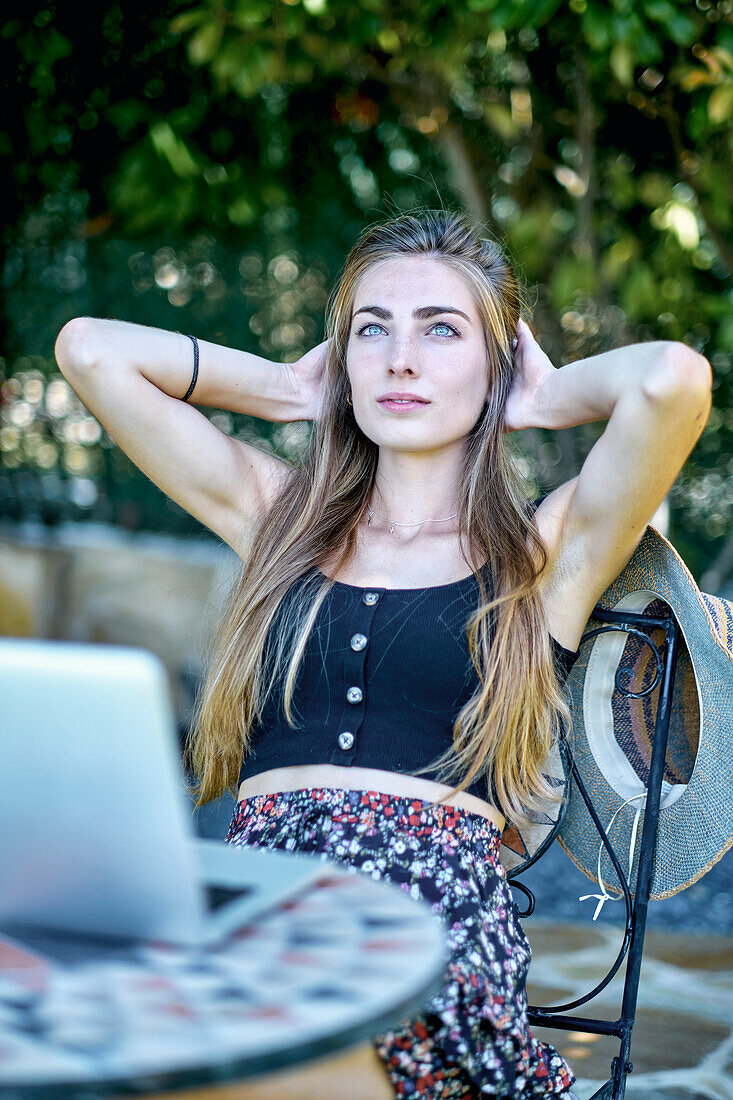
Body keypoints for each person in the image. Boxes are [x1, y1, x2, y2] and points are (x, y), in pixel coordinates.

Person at [54, 207, 712, 1098]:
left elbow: (672, 381)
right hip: (260, 900)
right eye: (373, 330)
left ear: (495, 365)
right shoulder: (278, 520)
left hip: (425, 924)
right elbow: (91, 350)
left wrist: (542, 395)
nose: (400, 359)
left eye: (441, 331)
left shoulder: (542, 556)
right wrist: (290, 388)